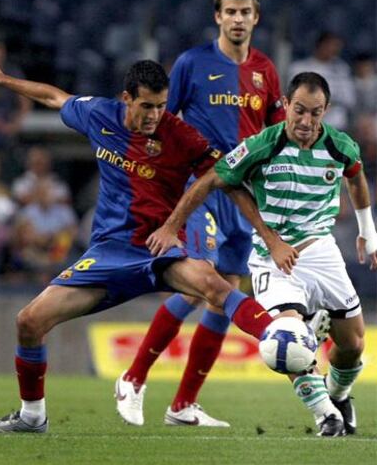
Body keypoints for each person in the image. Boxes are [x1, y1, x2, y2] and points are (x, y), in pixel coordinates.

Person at [0, 45, 291, 434]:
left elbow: (227, 179)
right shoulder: (98, 115)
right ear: (127, 99)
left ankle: (279, 335)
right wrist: (2, 80)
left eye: (161, 106)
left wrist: (264, 234)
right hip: (109, 254)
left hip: (161, 250)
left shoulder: (181, 135)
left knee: (216, 288)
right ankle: (32, 416)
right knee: (29, 322)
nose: (155, 116)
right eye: (147, 107)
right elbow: (55, 96)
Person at [147, 72, 377, 437]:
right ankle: (325, 416)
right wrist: (173, 226)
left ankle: (339, 396)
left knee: (352, 346)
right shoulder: (261, 145)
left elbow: (356, 176)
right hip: (272, 258)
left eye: (315, 113)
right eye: (299, 110)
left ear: (326, 111)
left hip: (322, 252)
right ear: (286, 105)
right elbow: (214, 180)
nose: (305, 121)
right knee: (283, 340)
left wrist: (368, 231)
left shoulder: (340, 146)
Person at [116, 0, 286, 427]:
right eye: (230, 12)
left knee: (222, 295)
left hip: (243, 194)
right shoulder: (193, 63)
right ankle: (133, 378)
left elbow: (277, 128)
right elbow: (164, 119)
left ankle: (183, 404)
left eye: (245, 12)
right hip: (202, 189)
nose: (237, 19)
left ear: (256, 17)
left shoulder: (265, 70)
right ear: (217, 16)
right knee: (200, 284)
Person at [288, 31, 355, 130]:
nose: (335, 50)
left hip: (336, 125)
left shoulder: (342, 69)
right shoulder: (299, 68)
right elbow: (293, 96)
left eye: (337, 47)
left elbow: (350, 99)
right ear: (321, 45)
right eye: (332, 46)